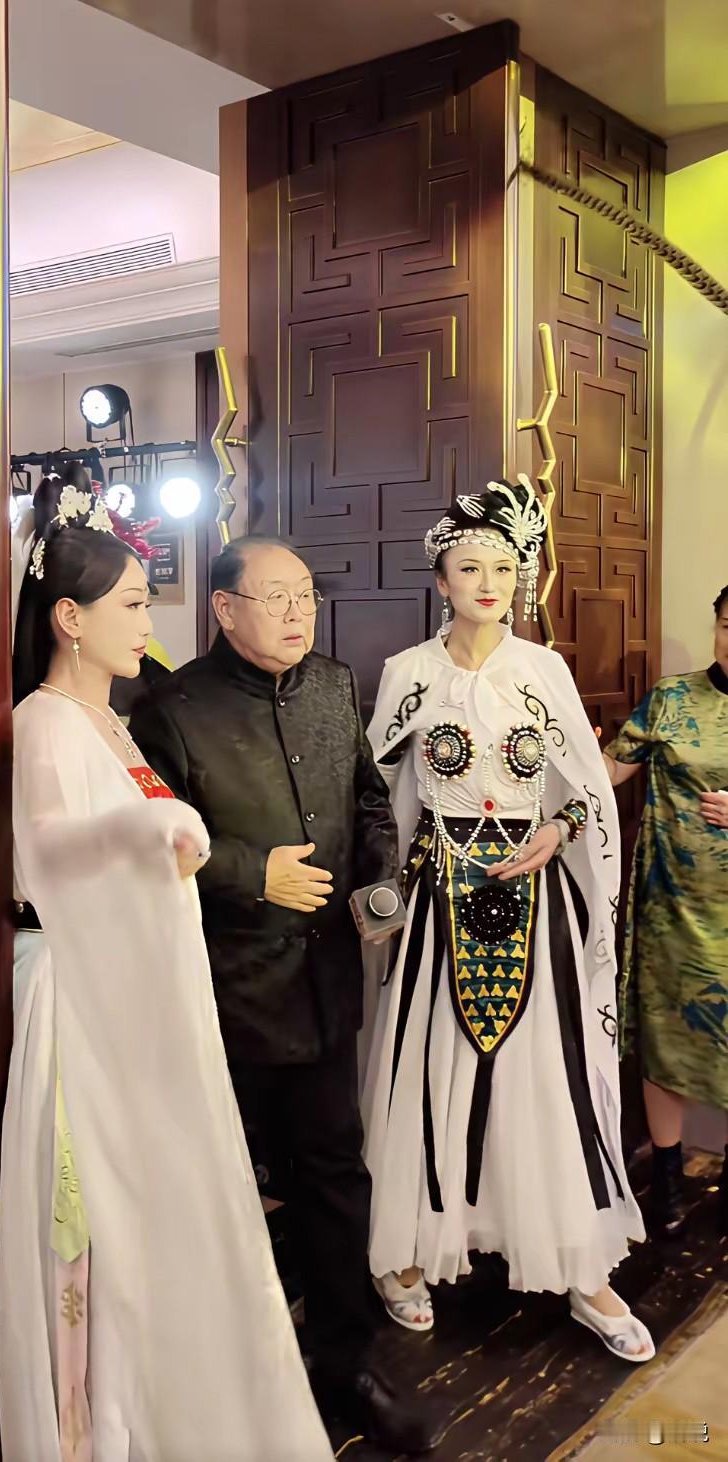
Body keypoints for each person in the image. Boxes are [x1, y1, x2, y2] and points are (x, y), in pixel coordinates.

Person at [0, 473, 333, 1462]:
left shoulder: (115, 721)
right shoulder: (45, 721)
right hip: (85, 999)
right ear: (70, 618)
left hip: (141, 988)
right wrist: (146, 831)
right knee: (105, 1219)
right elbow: (44, 850)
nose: (150, 623)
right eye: (135, 605)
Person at [130, 535, 447, 1453]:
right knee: (223, 1188)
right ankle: (223, 1374)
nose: (298, 612)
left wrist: (378, 882)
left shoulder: (335, 686)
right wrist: (249, 873)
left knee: (335, 1174)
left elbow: (370, 802)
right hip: (227, 993)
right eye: (276, 597)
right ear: (225, 609)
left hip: (325, 984)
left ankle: (346, 1366)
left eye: (305, 595)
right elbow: (150, 843)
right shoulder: (171, 707)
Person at [361, 478, 654, 1362]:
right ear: (440, 580)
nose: (488, 583)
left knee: (545, 1076)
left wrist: (559, 829)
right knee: (429, 1067)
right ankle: (406, 1250)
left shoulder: (543, 671)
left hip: (538, 897)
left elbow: (587, 790)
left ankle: (580, 1268)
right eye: (468, 568)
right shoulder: (410, 674)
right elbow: (377, 794)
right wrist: (383, 887)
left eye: (502, 567)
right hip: (438, 898)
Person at [604, 584, 728, 1239]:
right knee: (667, 1038)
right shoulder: (673, 698)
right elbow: (611, 770)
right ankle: (670, 1177)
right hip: (672, 906)